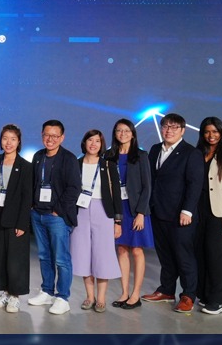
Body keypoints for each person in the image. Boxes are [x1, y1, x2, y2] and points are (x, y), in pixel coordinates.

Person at [140, 113, 204, 314]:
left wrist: (187, 210)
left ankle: (188, 295)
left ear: (182, 130)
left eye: (174, 127)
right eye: (166, 126)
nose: (169, 130)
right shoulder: (155, 149)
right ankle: (166, 290)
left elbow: (195, 184)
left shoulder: (191, 153)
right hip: (158, 211)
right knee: (165, 255)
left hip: (180, 215)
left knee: (184, 256)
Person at [27, 119, 81, 315]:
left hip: (57, 216)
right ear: (42, 135)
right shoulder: (38, 156)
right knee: (44, 256)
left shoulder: (69, 159)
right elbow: (33, 182)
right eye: (46, 135)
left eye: (54, 135)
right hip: (38, 214)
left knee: (61, 259)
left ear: (62, 137)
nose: (50, 139)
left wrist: (57, 210)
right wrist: (32, 205)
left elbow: (74, 188)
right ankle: (47, 291)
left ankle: (63, 297)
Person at [72, 129, 122, 313]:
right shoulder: (75, 164)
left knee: (102, 255)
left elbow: (116, 194)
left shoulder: (108, 165)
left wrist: (118, 221)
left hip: (103, 211)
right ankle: (89, 296)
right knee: (83, 254)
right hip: (80, 212)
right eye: (90, 140)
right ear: (84, 142)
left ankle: (101, 298)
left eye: (97, 141)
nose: (93, 144)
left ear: (102, 145)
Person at [194, 117, 222, 315]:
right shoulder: (198, 153)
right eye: (207, 132)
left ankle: (220, 301)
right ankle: (205, 295)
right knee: (200, 254)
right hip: (198, 211)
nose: (211, 135)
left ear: (221, 132)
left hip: (218, 212)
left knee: (216, 255)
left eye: (215, 131)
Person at [108, 119, 152, 310]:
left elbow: (147, 186)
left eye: (127, 130)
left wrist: (141, 212)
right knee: (122, 249)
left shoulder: (141, 156)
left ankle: (136, 294)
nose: (123, 134)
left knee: (136, 250)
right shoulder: (109, 156)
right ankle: (124, 292)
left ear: (133, 134)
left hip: (135, 209)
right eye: (119, 130)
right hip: (118, 208)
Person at [0, 125, 33, 313]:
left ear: (19, 142)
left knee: (16, 259)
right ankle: (5, 292)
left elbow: (27, 197)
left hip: (16, 219)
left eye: (13, 139)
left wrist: (23, 223)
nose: (8, 143)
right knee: (0, 257)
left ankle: (15, 296)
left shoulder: (25, 166)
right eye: (5, 138)